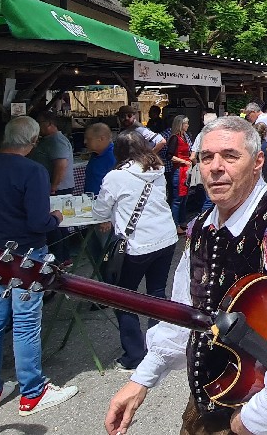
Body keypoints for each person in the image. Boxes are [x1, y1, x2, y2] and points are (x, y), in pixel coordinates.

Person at [104, 116, 267, 435]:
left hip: (264, 415)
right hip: (209, 402)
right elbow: (186, 313)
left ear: (257, 162)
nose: (216, 167)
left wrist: (260, 416)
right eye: (206, 157)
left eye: (230, 156)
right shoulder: (200, 229)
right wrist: (142, 379)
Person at [0, 116, 78, 416]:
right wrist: (56, 218)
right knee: (25, 322)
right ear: (34, 141)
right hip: (26, 254)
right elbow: (38, 221)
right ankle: (32, 392)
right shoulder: (33, 170)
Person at [93, 131, 179, 372]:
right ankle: (159, 347)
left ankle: (134, 355)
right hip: (165, 237)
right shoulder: (157, 169)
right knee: (157, 293)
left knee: (124, 298)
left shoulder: (116, 176)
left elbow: (100, 211)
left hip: (137, 243)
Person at [29, 111, 75, 195]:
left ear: (49, 124)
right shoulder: (48, 139)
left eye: (39, 122)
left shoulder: (57, 141)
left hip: (59, 189)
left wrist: (53, 186)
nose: (37, 126)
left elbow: (61, 165)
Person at [164, 115, 193, 226]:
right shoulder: (175, 138)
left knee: (184, 198)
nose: (188, 125)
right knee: (177, 199)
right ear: (181, 124)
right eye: (186, 123)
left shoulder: (184, 136)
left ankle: (182, 222)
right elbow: (169, 156)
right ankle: (174, 224)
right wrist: (183, 161)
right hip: (178, 170)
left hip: (185, 170)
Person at [83, 122, 116, 196]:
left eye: (88, 139)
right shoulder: (95, 154)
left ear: (101, 139)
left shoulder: (114, 156)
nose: (85, 142)